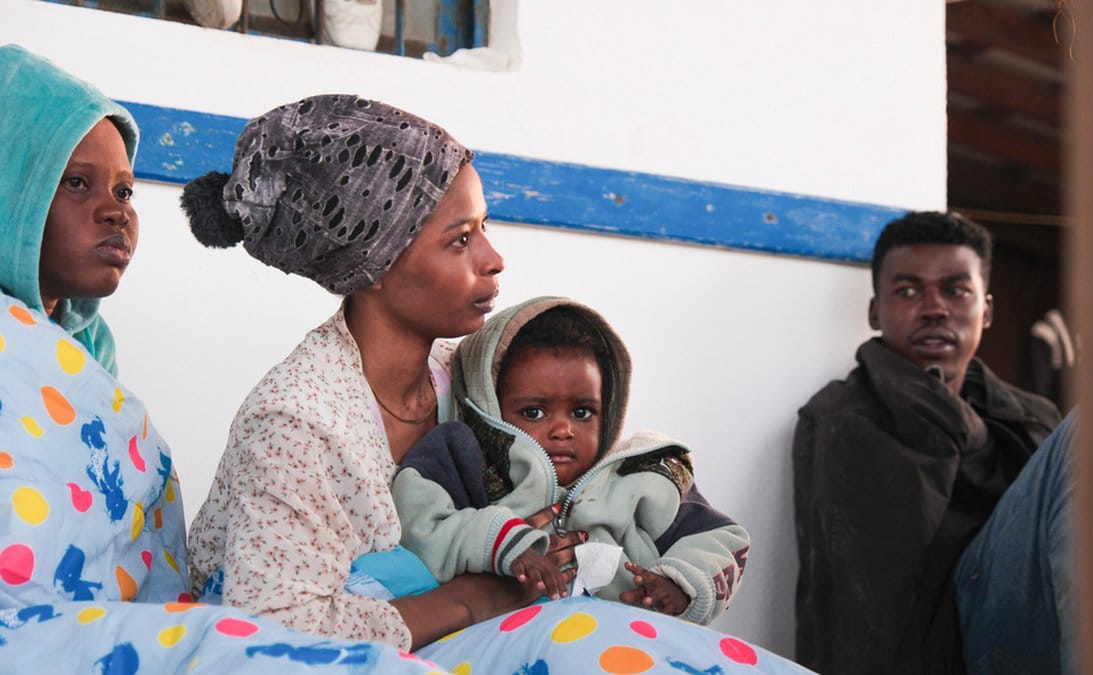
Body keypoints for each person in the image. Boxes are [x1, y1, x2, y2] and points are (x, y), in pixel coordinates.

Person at [180, 94, 812, 675]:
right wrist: (471, 599)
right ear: (374, 264)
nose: (493, 259)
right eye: (461, 240)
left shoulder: (473, 375)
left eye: (485, 228)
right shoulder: (298, 422)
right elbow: (274, 634)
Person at [0, 44, 450, 674]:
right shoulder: (295, 411)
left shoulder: (86, 362)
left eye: (125, 190)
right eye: (77, 182)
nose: (116, 210)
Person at [792, 211, 1069, 674]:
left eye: (956, 290)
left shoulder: (1032, 415)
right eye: (908, 292)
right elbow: (853, 604)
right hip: (943, 646)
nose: (934, 308)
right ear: (875, 312)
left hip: (1037, 622)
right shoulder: (843, 418)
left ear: (987, 310)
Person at [392, 296, 750, 624]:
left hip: (626, 645)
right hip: (505, 645)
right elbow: (418, 525)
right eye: (533, 412)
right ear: (489, 405)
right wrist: (499, 542)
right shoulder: (462, 454)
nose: (563, 430)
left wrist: (680, 584)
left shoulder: (644, 473)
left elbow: (722, 539)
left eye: (582, 412)